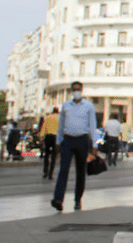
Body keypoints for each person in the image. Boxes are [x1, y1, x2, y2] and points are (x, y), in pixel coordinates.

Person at [51, 81, 99, 212]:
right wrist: (57, 142)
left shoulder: (88, 106)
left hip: (82, 140)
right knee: (63, 170)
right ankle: (58, 199)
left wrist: (94, 144)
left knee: (80, 172)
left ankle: (77, 199)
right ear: (71, 91)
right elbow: (60, 125)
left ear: (82, 91)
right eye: (74, 89)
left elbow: (93, 125)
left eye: (78, 89)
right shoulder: (66, 105)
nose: (76, 92)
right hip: (67, 140)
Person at [41, 107, 60, 179]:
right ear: (58, 111)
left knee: (46, 155)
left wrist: (42, 137)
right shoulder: (60, 118)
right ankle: (51, 174)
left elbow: (43, 128)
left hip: (48, 137)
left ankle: (45, 171)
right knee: (54, 156)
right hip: (56, 137)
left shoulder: (48, 117)